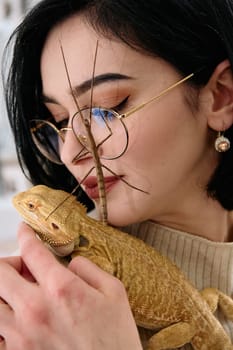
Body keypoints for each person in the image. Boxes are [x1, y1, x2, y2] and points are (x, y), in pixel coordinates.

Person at [1, 0, 233, 348]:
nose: (69, 152)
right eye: (60, 123)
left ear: (220, 97)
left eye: (106, 109)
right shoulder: (41, 310)